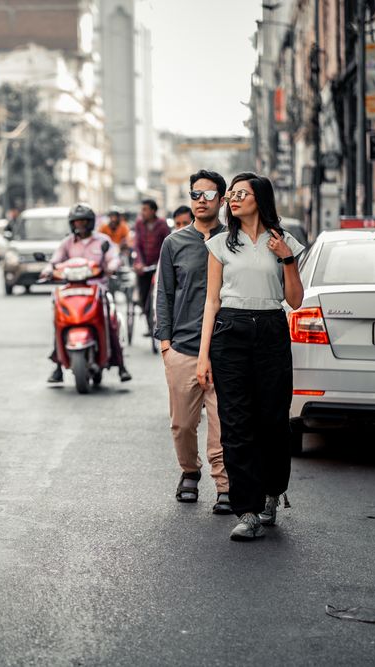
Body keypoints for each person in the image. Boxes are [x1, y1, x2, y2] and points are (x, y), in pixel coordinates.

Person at [196, 172, 306, 541]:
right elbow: (211, 302)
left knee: (273, 420)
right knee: (236, 422)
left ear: (260, 197)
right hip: (230, 331)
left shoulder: (284, 241)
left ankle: (272, 493)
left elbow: (295, 301)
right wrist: (203, 356)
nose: (233, 199)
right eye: (231, 195)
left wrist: (287, 259)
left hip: (272, 330)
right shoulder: (221, 244)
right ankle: (247, 509)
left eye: (240, 193)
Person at [155, 170, 230, 514]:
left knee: (223, 422)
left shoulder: (233, 241)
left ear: (222, 199)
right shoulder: (174, 243)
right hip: (183, 347)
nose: (201, 201)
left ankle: (224, 484)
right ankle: (189, 471)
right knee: (183, 423)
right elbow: (165, 294)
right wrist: (166, 343)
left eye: (209, 194)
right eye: (195, 194)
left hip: (225, 348)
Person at [42, 203, 132, 383]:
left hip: (97, 288)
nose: (80, 225)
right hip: (71, 289)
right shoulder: (67, 242)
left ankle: (121, 365)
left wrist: (111, 268)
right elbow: (55, 261)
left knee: (111, 321)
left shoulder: (102, 241)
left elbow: (113, 258)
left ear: (90, 222)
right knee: (59, 319)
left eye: (83, 221)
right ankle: (58, 365)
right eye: (76, 222)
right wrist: (47, 270)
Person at [133, 199, 170, 335]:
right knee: (143, 295)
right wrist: (139, 262)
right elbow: (137, 245)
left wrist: (162, 263)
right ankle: (149, 325)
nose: (142, 212)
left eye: (145, 209)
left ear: (153, 211)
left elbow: (167, 245)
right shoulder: (139, 224)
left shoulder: (162, 225)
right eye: (142, 209)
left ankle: (158, 322)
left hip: (158, 265)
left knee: (156, 296)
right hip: (143, 267)